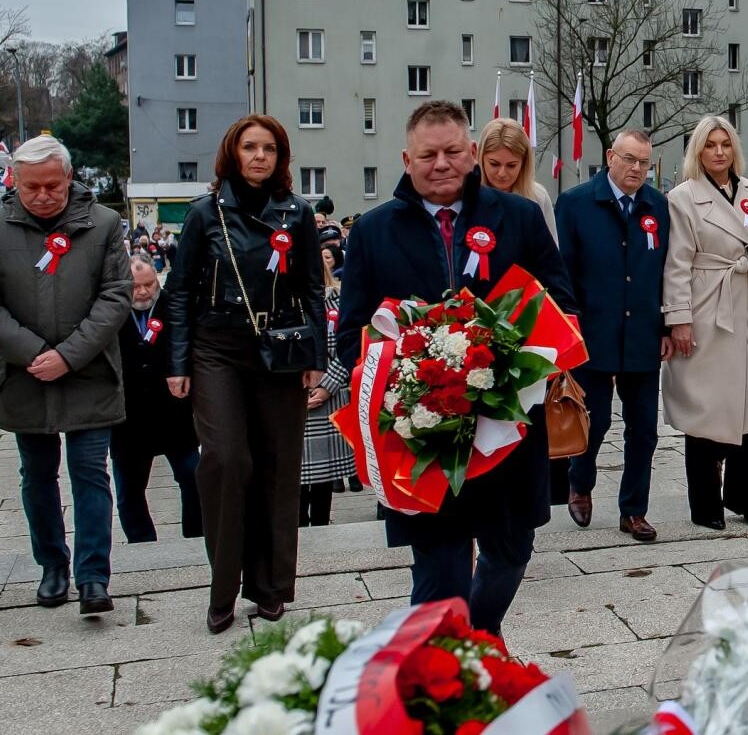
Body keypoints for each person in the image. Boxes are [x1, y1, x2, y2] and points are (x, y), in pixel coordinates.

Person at [336, 100, 575, 635]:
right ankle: (444, 666)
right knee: (439, 571)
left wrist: (516, 359)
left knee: (512, 551)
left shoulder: (518, 216)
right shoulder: (373, 232)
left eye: (451, 152)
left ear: (472, 153)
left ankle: (475, 635)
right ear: (406, 158)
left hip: (506, 420)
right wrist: (407, 375)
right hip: (423, 435)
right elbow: (351, 332)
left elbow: (560, 299)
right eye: (427, 154)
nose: (440, 163)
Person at [165, 114, 326, 634]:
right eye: (250, 147)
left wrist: (314, 358)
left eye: (270, 149)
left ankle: (272, 586)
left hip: (280, 349)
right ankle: (222, 588)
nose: (260, 156)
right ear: (232, 153)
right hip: (217, 348)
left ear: (281, 159)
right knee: (227, 459)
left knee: (279, 467)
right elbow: (180, 291)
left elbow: (311, 290)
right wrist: (177, 362)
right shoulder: (202, 213)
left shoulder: (296, 213)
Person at [0, 135, 132, 614]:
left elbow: (116, 296)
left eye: (52, 185)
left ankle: (94, 576)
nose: (42, 196)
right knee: (36, 475)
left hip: (90, 372)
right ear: (15, 182)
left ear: (69, 177)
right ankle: (52, 565)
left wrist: (69, 355)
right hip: (23, 374)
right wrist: (34, 352)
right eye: (31, 187)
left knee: (90, 475)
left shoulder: (103, 224)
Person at [661, 115, 748, 529]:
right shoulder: (682, 198)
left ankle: (744, 494)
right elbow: (676, 264)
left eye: (725, 144)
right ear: (698, 150)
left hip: (747, 303)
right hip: (704, 305)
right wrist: (678, 320)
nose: (719, 152)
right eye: (710, 144)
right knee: (706, 405)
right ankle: (705, 503)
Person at [556, 129, 671, 542]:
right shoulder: (574, 204)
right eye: (629, 159)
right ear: (610, 157)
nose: (636, 169)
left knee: (643, 428)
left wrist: (670, 325)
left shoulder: (658, 206)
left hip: (642, 332)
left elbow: (667, 274)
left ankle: (633, 510)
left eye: (644, 162)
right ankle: (580, 481)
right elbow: (562, 273)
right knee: (596, 421)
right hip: (594, 333)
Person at [111, 254, 202, 543]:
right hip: (128, 416)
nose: (143, 292)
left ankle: (197, 533)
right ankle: (141, 542)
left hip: (173, 411)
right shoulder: (111, 311)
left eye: (149, 285)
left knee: (193, 478)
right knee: (129, 490)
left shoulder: (171, 306)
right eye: (136, 287)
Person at [299, 263, 355, 526]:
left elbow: (348, 346)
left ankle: (322, 527)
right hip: (292, 398)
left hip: (328, 399)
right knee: (293, 478)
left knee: (322, 480)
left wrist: (326, 386)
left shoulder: (337, 302)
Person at [478, 117, 557, 242]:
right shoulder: (464, 196)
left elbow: (551, 255)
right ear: (481, 158)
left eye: (511, 165)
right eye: (494, 164)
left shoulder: (538, 197)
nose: (502, 173)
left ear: (524, 163)